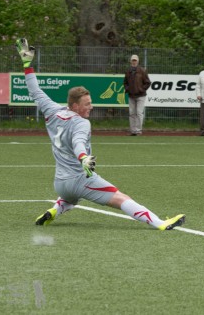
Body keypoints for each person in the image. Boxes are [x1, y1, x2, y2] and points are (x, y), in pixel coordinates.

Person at [15, 38, 185, 230]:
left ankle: (55, 209)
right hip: (80, 178)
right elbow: (78, 142)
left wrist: (27, 64)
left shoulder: (53, 110)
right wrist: (84, 158)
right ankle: (160, 223)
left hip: (60, 184)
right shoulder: (81, 123)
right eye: (87, 104)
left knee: (71, 198)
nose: (91, 106)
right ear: (75, 106)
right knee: (122, 198)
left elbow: (34, 90)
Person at [123, 54, 151, 136]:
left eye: (135, 60)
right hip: (131, 95)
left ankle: (138, 131)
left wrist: (141, 89)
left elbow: (148, 82)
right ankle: (133, 131)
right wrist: (127, 89)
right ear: (130, 61)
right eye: (133, 60)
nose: (134, 62)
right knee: (132, 113)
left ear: (138, 61)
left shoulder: (142, 70)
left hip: (141, 95)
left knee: (139, 113)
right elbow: (125, 82)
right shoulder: (128, 71)